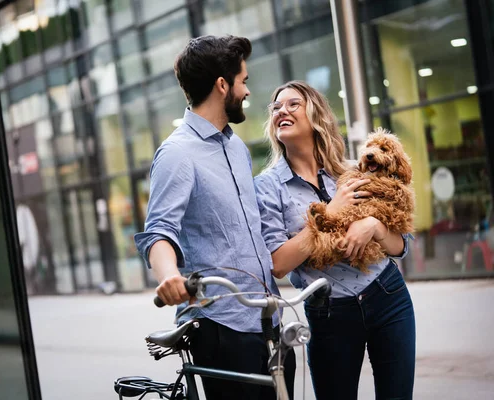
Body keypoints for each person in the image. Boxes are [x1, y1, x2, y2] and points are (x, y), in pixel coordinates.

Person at [134, 35, 294, 400]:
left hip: (267, 319)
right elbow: (159, 230)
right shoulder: (177, 153)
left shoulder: (236, 147)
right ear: (223, 85)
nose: (247, 92)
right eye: (243, 81)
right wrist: (169, 276)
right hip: (221, 324)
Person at [254, 80, 416, 400]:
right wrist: (331, 210)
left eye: (292, 104)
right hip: (329, 314)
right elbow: (277, 263)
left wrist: (374, 226)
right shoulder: (266, 187)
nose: (281, 111)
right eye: (276, 108)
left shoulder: (351, 170)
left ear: (316, 116)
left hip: (388, 296)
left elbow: (401, 245)